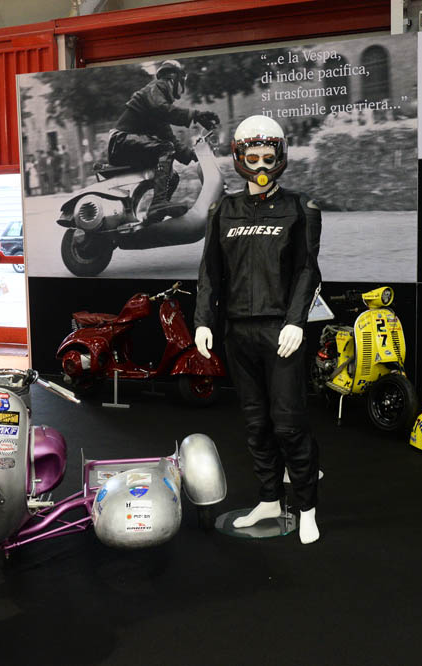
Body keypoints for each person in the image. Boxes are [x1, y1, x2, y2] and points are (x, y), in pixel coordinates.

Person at [194, 115, 323, 545]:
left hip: (281, 333)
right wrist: (203, 322)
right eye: (254, 157)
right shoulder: (222, 211)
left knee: (288, 424)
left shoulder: (300, 209)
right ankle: (268, 499)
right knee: (255, 425)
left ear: (280, 156)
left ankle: (306, 507)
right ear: (240, 158)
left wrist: (296, 321)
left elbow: (307, 270)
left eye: (269, 156)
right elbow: (210, 273)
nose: (262, 165)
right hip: (238, 334)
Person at [107, 59, 220, 224]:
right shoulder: (156, 87)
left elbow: (170, 139)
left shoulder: (158, 107)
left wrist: (195, 155)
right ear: (173, 79)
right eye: (181, 81)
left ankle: (155, 215)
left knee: (172, 177)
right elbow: (163, 110)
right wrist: (196, 115)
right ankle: (158, 204)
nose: (182, 87)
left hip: (125, 146)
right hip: (120, 142)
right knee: (165, 149)